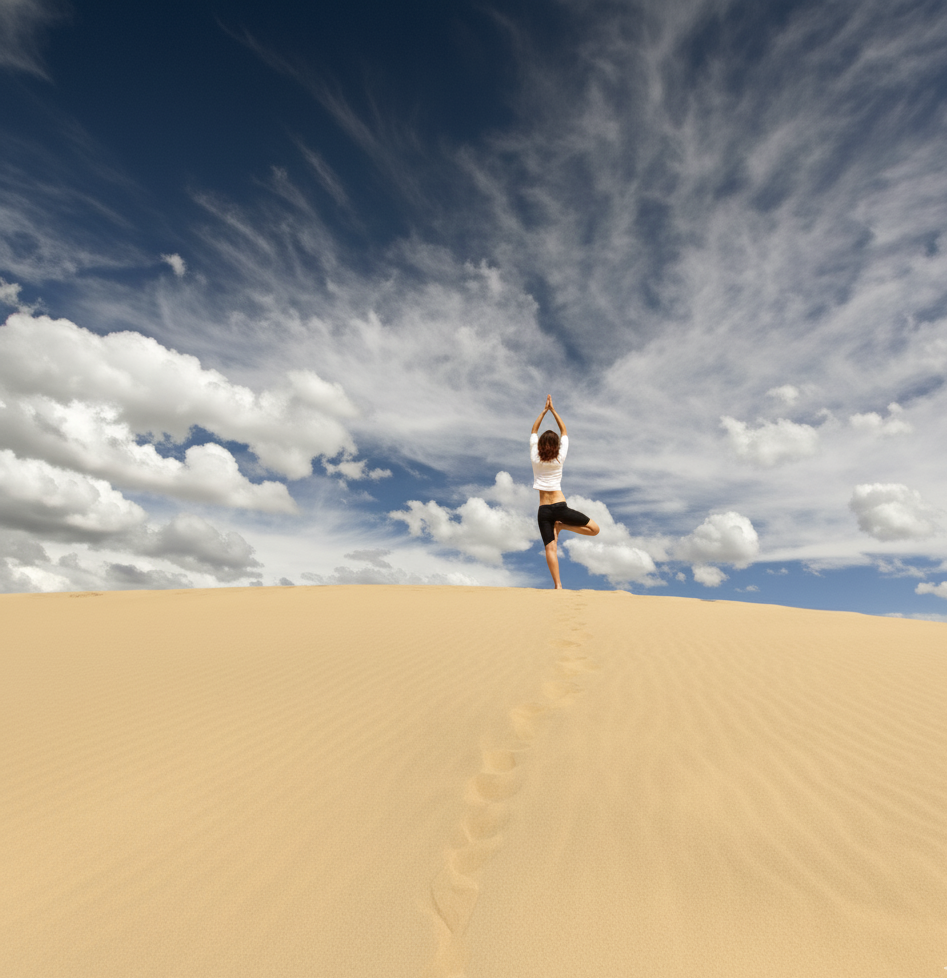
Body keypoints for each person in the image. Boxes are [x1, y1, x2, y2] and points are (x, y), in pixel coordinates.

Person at [530, 395, 599, 589]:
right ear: (557, 446)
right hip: (560, 507)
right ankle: (562, 526)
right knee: (595, 530)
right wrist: (553, 410)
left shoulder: (535, 457)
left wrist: (543, 411)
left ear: (541, 445)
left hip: (543, 510)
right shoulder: (560, 457)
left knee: (550, 548)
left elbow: (534, 430)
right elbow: (564, 431)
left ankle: (558, 586)